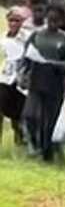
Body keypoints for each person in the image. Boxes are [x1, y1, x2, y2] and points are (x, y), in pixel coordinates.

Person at [21, 4, 65, 162]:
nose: (53, 23)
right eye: (50, 19)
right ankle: (36, 143)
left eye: (56, 20)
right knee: (30, 115)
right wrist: (23, 73)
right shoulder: (36, 35)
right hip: (36, 81)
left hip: (55, 84)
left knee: (49, 121)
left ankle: (47, 153)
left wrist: (54, 64)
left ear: (61, 21)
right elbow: (26, 56)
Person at [0, 8, 31, 146]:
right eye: (11, 20)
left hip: (20, 80)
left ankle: (20, 142)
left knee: (18, 115)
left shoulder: (27, 38)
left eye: (17, 20)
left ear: (22, 22)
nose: (13, 23)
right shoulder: (3, 39)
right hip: (4, 79)